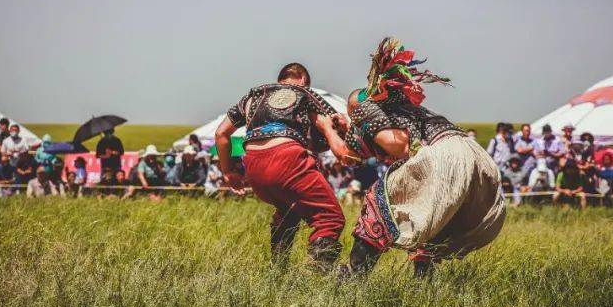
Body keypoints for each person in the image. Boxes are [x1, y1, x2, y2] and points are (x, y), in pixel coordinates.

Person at [327, 38, 505, 279]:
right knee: (433, 225)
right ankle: (423, 287)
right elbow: (354, 154)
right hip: (473, 156)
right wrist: (345, 128)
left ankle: (356, 277)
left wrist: (337, 126)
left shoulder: (363, 106)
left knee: (378, 203)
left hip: (442, 156)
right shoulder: (402, 110)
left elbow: (399, 144)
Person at [215, 62, 347, 271]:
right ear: (303, 80)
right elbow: (330, 124)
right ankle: (326, 277)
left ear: (280, 80)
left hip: (254, 167)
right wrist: (343, 139)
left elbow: (221, 134)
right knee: (330, 217)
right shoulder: (305, 92)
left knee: (288, 211)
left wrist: (228, 172)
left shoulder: (253, 96)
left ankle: (278, 272)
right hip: (289, 159)